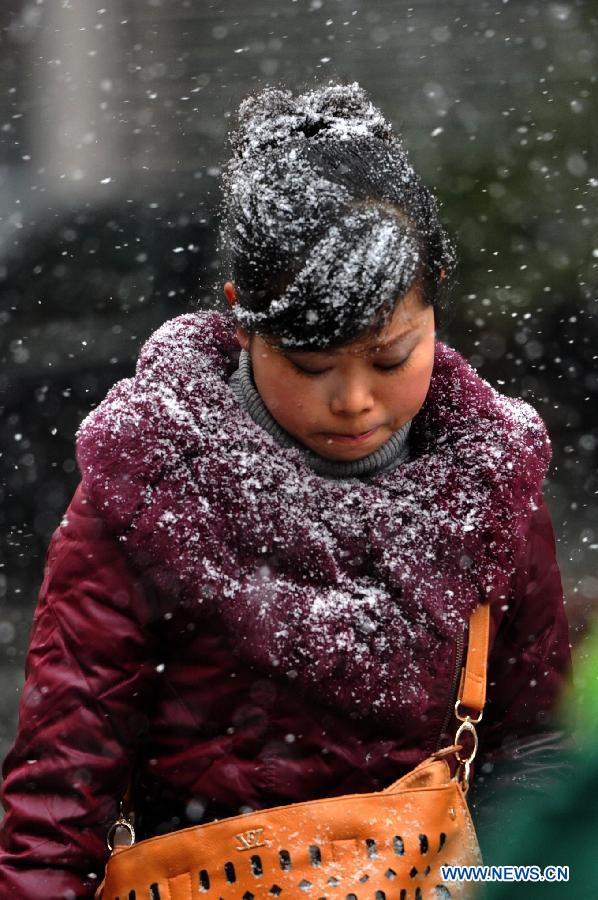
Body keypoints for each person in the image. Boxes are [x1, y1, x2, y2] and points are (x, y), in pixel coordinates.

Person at [0, 81, 571, 898]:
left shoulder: (490, 482)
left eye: (389, 357)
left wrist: (519, 883)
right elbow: (61, 790)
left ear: (437, 295)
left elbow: (536, 759)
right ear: (240, 319)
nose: (353, 400)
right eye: (310, 365)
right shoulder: (152, 483)